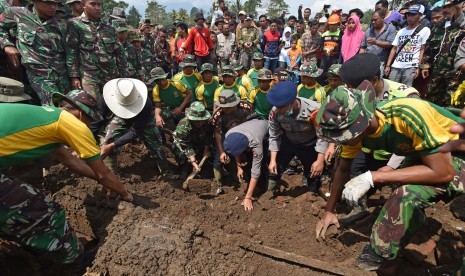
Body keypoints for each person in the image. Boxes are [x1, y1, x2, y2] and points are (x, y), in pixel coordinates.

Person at [315, 80, 464, 271]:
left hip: (456, 153)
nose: (344, 140)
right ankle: (412, 226)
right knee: (399, 188)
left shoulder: (407, 114)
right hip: (425, 153)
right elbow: (343, 168)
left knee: (406, 193)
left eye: (345, 134)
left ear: (362, 122)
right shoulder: (356, 131)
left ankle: (376, 256)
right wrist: (329, 211)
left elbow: (443, 172)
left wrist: (374, 177)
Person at [0, 87, 132, 266]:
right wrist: (125, 193)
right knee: (46, 212)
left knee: (15, 210)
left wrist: (101, 180)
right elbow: (105, 172)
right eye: (89, 120)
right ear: (80, 114)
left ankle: (32, 248)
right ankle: (76, 262)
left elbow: (69, 159)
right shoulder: (72, 124)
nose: (89, 125)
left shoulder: (48, 116)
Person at [90, 78, 177, 179]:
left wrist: (112, 146)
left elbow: (135, 131)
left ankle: (165, 172)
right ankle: (111, 175)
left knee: (156, 144)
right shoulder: (106, 98)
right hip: (120, 117)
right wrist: (86, 140)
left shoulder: (146, 104)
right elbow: (98, 120)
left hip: (143, 120)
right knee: (107, 139)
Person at [0, 0, 70, 105]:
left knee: (69, 105)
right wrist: (7, 45)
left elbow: (69, 52)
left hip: (61, 75)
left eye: (56, 4)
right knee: (55, 106)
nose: (53, 7)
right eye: (48, 3)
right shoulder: (18, 13)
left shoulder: (60, 24)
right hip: (38, 73)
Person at [267, 81, 330, 194]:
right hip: (289, 141)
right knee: (275, 167)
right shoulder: (275, 112)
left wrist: (320, 160)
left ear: (292, 102)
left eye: (282, 107)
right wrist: (272, 160)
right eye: (277, 107)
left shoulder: (314, 110)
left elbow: (322, 136)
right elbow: (274, 136)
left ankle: (311, 194)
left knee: (313, 172)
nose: (279, 110)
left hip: (309, 144)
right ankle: (270, 191)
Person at [66, 0, 128, 101]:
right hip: (89, 76)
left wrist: (124, 76)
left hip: (110, 75)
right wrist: (74, 77)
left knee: (114, 104)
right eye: (93, 4)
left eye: (99, 4)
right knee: (93, 105)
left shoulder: (109, 27)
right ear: (83, 5)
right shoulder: (75, 24)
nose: (97, 8)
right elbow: (71, 52)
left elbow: (119, 53)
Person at [422, 0, 465, 107]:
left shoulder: (462, 25)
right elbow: (429, 47)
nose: (445, 10)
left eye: (449, 6)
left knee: (450, 102)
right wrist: (425, 66)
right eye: (444, 7)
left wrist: (459, 9)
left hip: (455, 72)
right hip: (438, 70)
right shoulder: (439, 26)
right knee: (430, 98)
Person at [212, 89, 254, 195]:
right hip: (226, 136)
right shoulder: (218, 115)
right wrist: (222, 152)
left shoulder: (245, 108)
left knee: (250, 156)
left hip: (246, 133)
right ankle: (219, 184)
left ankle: (250, 178)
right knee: (218, 160)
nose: (225, 109)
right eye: (223, 107)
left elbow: (253, 125)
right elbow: (217, 133)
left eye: (227, 107)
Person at [223, 119, 269, 211]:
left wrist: (248, 198)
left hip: (267, 133)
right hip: (249, 130)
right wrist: (239, 167)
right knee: (248, 162)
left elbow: (256, 170)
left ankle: (263, 186)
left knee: (262, 164)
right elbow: (236, 151)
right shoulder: (229, 134)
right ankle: (252, 185)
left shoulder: (256, 143)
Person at [385, 4, 431, 86]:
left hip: (410, 67)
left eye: (413, 15)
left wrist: (418, 67)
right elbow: (394, 49)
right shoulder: (401, 31)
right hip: (396, 65)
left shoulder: (425, 30)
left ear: (420, 16)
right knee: (391, 89)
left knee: (406, 91)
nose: (409, 17)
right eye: (408, 15)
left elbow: (422, 49)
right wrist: (388, 65)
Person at [173, 101, 213, 180]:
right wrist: (193, 161)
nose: (200, 123)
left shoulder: (208, 121)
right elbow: (186, 145)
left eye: (202, 121)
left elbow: (209, 136)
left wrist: (206, 150)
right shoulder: (183, 126)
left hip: (200, 139)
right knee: (179, 152)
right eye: (197, 121)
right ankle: (183, 167)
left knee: (213, 149)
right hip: (185, 143)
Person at [150, 67, 193, 132]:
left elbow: (189, 94)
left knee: (191, 122)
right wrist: (157, 116)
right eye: (157, 81)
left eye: (162, 79)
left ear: (165, 77)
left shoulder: (176, 83)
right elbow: (158, 106)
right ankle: (173, 132)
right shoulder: (155, 90)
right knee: (155, 118)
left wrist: (180, 107)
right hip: (172, 109)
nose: (161, 82)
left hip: (184, 106)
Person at [321, 14, 342, 83]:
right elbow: (320, 46)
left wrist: (334, 48)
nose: (332, 26)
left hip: (335, 59)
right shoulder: (324, 34)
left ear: (337, 24)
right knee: (323, 74)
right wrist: (323, 48)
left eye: (334, 25)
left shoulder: (340, 34)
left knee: (333, 75)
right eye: (330, 25)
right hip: (325, 58)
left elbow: (342, 47)